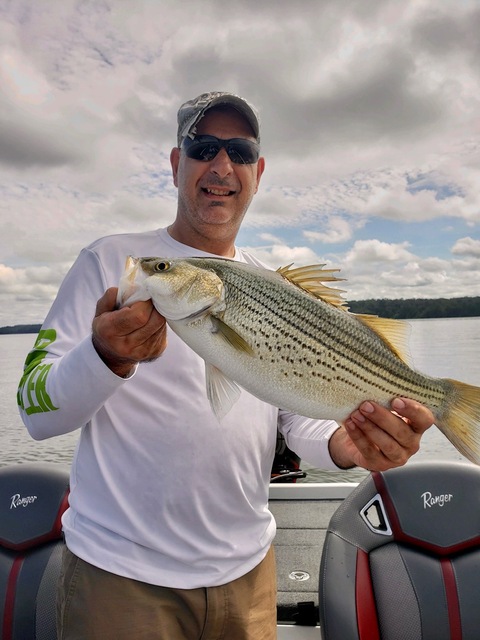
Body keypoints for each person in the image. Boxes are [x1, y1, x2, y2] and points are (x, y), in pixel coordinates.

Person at [18, 91, 434, 640]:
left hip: (249, 576)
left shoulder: (271, 283)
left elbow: (296, 415)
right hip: (121, 579)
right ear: (176, 164)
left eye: (239, 151)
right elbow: (35, 410)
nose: (221, 166)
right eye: (203, 147)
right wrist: (105, 356)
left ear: (257, 173)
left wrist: (345, 445)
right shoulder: (111, 261)